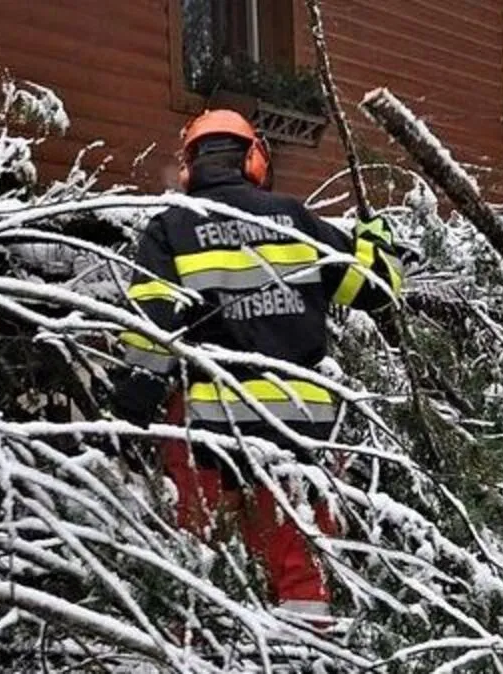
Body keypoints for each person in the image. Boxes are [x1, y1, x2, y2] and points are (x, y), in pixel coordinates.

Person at [109, 109, 403, 616]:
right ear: (253, 158)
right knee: (298, 559)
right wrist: (375, 240)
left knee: (204, 561)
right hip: (300, 424)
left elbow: (151, 332)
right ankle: (306, 652)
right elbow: (378, 288)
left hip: (214, 428)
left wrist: (127, 413)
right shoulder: (294, 217)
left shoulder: (170, 229)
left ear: (190, 166)